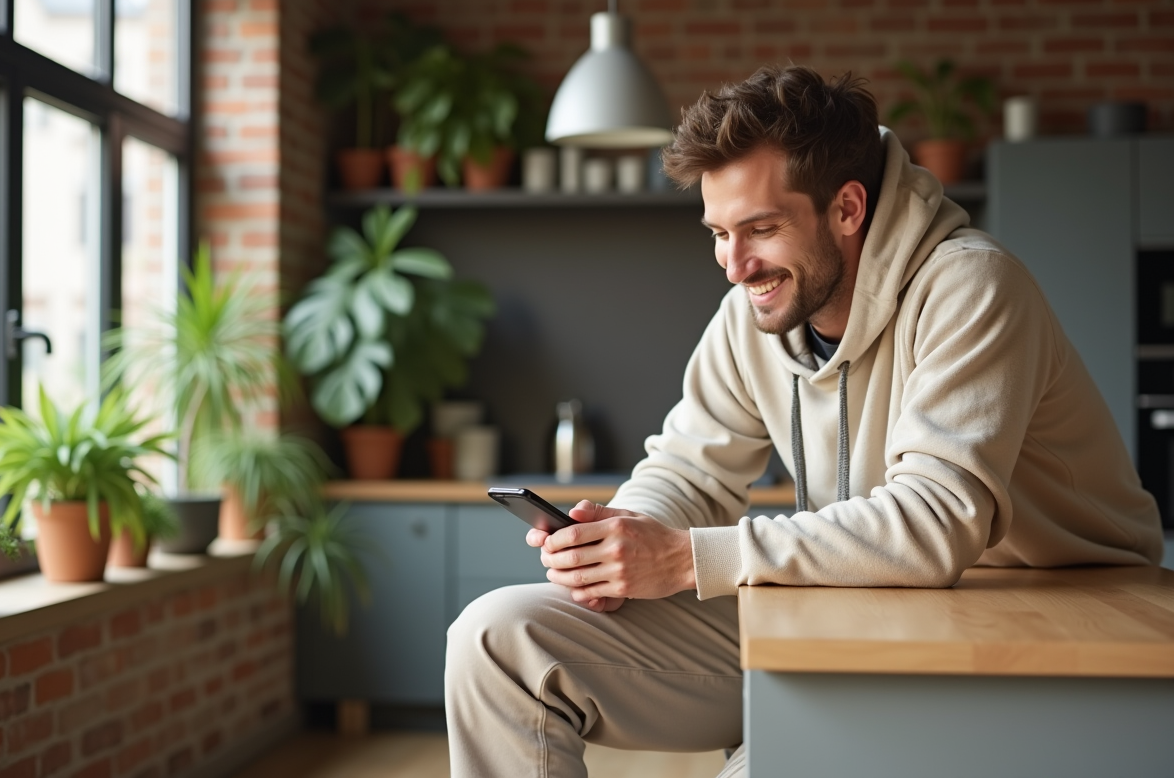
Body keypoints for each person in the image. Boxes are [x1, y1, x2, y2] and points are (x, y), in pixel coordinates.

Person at [445, 65, 1164, 778]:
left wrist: (687, 558)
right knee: (493, 641)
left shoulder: (970, 286)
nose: (733, 265)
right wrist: (620, 545)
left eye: (759, 229)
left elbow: (935, 522)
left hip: (1045, 616)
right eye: (718, 233)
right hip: (851, 606)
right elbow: (689, 469)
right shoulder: (752, 312)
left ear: (847, 209)